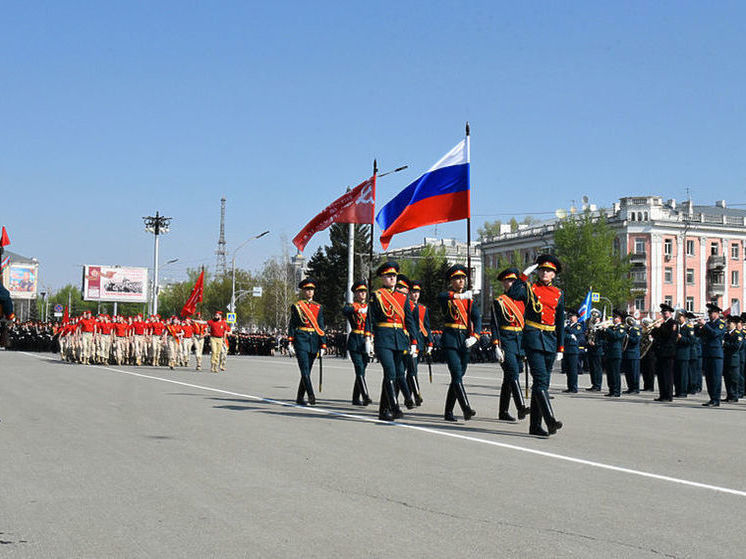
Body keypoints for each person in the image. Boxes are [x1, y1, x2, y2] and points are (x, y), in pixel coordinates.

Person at [515, 254, 564, 437]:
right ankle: (550, 419)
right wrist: (523, 276)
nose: (545, 272)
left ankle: (535, 426)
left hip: (550, 340)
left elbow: (560, 322)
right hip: (533, 338)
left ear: (554, 275)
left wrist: (561, 347)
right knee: (541, 380)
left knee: (542, 383)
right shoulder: (529, 288)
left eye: (549, 271)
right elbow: (513, 294)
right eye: (542, 269)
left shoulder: (559, 293)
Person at [367, 261, 418, 421]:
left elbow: (409, 321)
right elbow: (370, 319)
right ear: (382, 278)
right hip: (383, 338)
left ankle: (384, 410)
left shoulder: (403, 298)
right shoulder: (377, 296)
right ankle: (395, 407)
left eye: (394, 276)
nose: (392, 278)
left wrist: (414, 341)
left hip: (400, 339)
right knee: (389, 371)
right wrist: (368, 338)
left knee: (396, 374)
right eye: (389, 276)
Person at [438, 264, 481, 422]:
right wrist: (459, 297)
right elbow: (441, 297)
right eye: (457, 278)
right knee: (456, 373)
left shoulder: (469, 299)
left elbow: (477, 318)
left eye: (463, 278)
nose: (461, 281)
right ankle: (466, 408)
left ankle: (448, 412)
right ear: (451, 281)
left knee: (458, 378)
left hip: (465, 340)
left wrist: (475, 336)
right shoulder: (448, 297)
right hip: (450, 339)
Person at [490, 267, 530, 421]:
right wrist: (496, 345)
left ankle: (503, 412)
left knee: (509, 377)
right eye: (508, 281)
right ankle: (521, 407)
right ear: (503, 283)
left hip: (520, 341)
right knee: (512, 372)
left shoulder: (522, 301)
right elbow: (494, 325)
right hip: (506, 341)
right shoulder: (499, 302)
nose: (511, 283)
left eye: (513, 280)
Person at [288, 278, 327, 406]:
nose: (309, 292)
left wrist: (323, 344)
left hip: (314, 340)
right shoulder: (297, 306)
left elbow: (320, 327)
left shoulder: (318, 307)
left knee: (307, 371)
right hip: (301, 339)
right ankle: (311, 395)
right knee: (304, 369)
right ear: (303, 291)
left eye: (311, 289)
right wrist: (290, 342)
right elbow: (292, 325)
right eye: (307, 289)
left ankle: (300, 397)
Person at [342, 281, 372, 406]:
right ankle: (365, 395)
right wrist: (357, 307)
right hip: (355, 340)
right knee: (359, 367)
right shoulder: (352, 306)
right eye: (360, 291)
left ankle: (355, 397)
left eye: (364, 291)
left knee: (362, 370)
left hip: (366, 340)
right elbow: (345, 310)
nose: (362, 294)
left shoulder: (370, 307)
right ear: (355, 294)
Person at [695, 303, 725, 407]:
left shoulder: (720, 323)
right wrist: (698, 326)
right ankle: (712, 398)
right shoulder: (708, 324)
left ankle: (716, 399)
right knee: (709, 378)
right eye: (709, 313)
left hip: (716, 354)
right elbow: (698, 334)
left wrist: (705, 325)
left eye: (711, 313)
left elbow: (715, 334)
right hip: (707, 353)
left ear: (716, 313)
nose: (709, 315)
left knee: (716, 378)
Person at [408, 280, 432, 406]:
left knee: (413, 370)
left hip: (419, 342)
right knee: (411, 370)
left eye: (417, 292)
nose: (416, 295)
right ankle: (416, 395)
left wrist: (430, 343)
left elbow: (427, 327)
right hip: (408, 341)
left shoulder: (423, 308)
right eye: (413, 292)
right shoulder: (406, 306)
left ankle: (410, 396)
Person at [652, 303, 677, 402]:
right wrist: (655, 328)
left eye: (665, 313)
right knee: (661, 374)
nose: (664, 314)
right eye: (663, 313)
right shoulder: (663, 323)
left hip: (668, 352)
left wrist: (659, 328)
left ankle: (668, 395)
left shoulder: (673, 323)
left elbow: (669, 335)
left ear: (670, 313)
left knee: (667, 375)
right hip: (660, 352)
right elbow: (655, 335)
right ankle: (662, 394)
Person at [603, 310, 626, 397]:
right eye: (614, 317)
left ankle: (616, 391)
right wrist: (603, 330)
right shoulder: (612, 328)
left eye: (615, 317)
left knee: (615, 373)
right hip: (609, 352)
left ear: (619, 319)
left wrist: (607, 329)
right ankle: (611, 390)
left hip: (616, 353)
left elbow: (616, 336)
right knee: (610, 373)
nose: (614, 319)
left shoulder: (621, 328)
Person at [562, 309, 584, 394]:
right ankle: (569, 387)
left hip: (573, 350)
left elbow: (575, 332)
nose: (571, 318)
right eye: (570, 316)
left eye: (572, 316)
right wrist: (569, 335)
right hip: (567, 349)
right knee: (568, 370)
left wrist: (567, 329)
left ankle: (574, 387)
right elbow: (564, 335)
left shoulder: (578, 326)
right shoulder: (569, 326)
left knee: (573, 370)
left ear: (576, 318)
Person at [722, 315, 742, 403]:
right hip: (726, 358)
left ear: (734, 324)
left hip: (734, 359)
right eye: (728, 323)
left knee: (734, 379)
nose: (728, 324)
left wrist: (725, 344)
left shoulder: (738, 334)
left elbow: (737, 346)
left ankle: (734, 396)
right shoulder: (727, 334)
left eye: (729, 323)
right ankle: (729, 395)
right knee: (727, 378)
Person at [674, 310, 693, 398]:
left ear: (684, 317)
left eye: (680, 316)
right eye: (678, 316)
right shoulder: (677, 327)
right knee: (677, 374)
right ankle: (678, 391)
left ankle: (683, 391)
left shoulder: (688, 327)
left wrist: (681, 338)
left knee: (683, 374)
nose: (678, 318)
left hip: (684, 354)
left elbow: (691, 341)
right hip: (676, 353)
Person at [621, 316, 641, 394]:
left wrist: (628, 337)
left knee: (634, 372)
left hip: (633, 354)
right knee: (628, 372)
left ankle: (636, 389)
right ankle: (630, 387)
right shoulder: (626, 330)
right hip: (626, 353)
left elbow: (636, 340)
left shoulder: (636, 330)